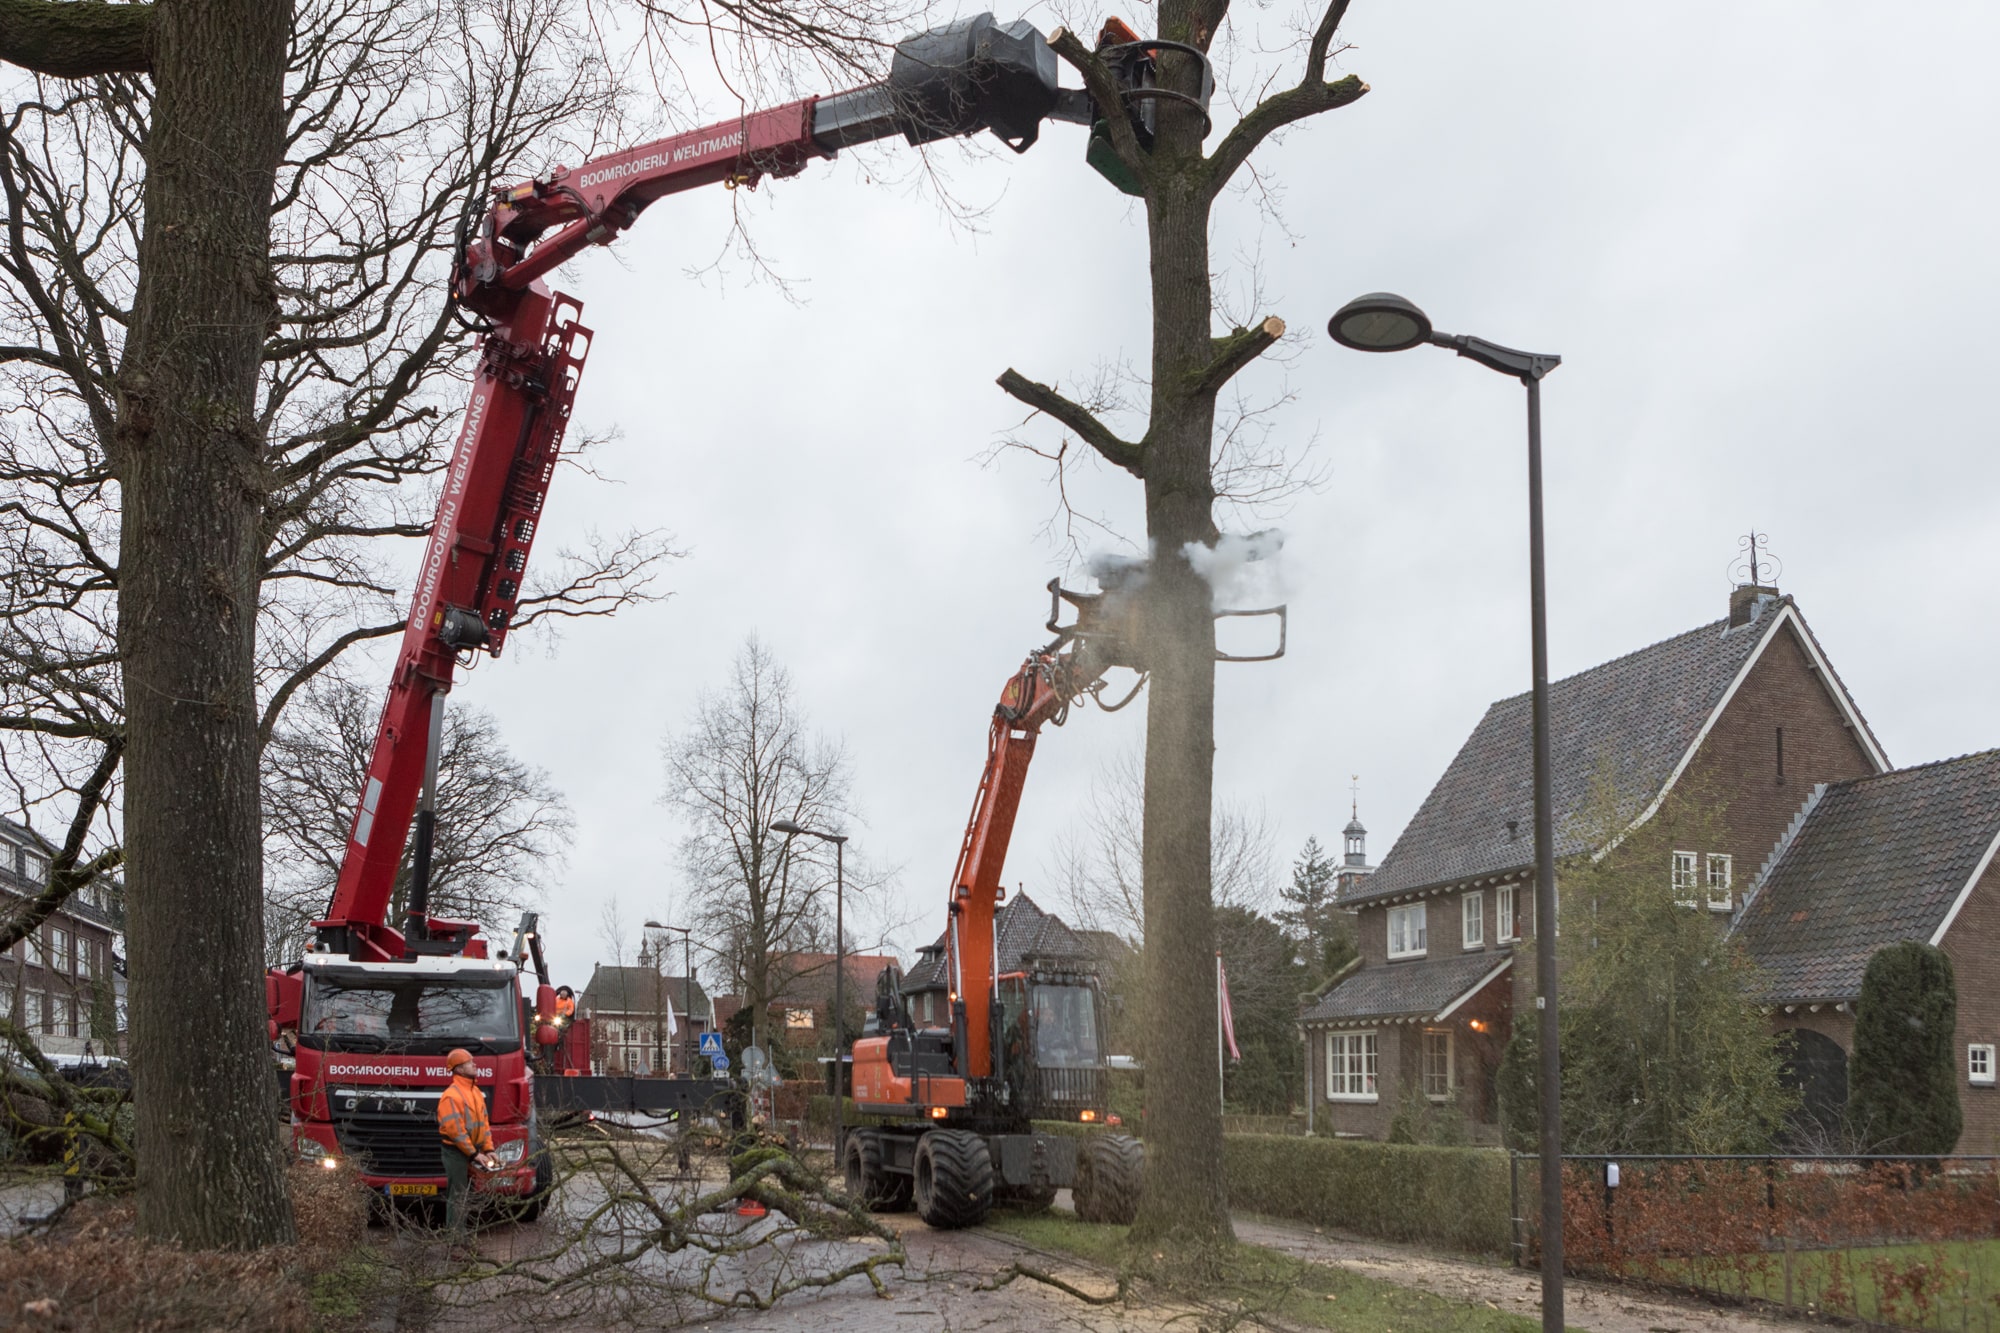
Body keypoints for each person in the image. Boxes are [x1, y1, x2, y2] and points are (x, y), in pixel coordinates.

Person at [437, 1048, 496, 1244]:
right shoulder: (451, 1096)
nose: (475, 1065)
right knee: (458, 1197)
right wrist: (474, 1154)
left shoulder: (475, 1092)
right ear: (460, 1069)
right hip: (456, 1153)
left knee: (468, 1197)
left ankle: (464, 1240)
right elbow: (456, 1132)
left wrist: (489, 1149)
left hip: (473, 1152)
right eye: (471, 1063)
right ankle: (455, 1243)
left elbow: (484, 1125)